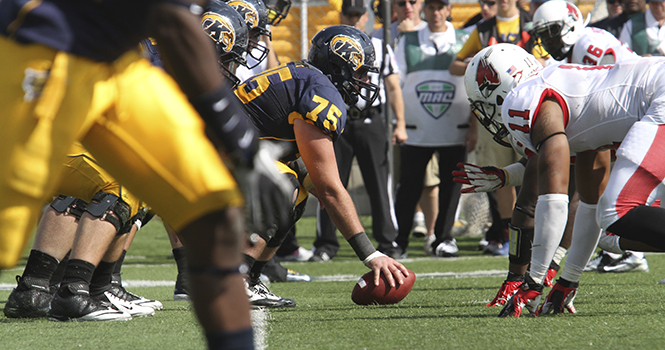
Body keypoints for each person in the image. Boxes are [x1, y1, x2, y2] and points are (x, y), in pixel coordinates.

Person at [0, 0, 293, 347]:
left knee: (214, 213)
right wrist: (242, 143)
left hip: (118, 63)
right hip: (43, 51)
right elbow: (173, 23)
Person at [464, 43, 665, 317]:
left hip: (659, 96)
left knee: (616, 211)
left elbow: (554, 196)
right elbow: (589, 203)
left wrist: (533, 281)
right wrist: (567, 281)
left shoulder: (522, 98)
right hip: (656, 93)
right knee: (608, 221)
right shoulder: (577, 109)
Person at [235, 24, 410, 307]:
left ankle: (252, 278)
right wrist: (370, 254)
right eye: (361, 71)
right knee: (287, 185)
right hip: (212, 153)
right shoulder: (320, 92)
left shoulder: (309, 79)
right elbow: (330, 188)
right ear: (341, 65)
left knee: (300, 185)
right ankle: (237, 278)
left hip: (224, 150)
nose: (365, 80)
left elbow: (316, 181)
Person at [4, 143, 160, 319]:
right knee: (118, 187)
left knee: (102, 181)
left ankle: (35, 288)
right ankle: (75, 290)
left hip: (27, 143)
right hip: (26, 144)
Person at [310, 0, 407, 262]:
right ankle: (326, 244)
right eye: (349, 14)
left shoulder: (379, 45)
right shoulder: (330, 44)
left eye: (358, 14)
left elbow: (393, 86)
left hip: (369, 118)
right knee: (327, 181)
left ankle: (388, 240)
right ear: (341, 15)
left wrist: (400, 122)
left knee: (379, 182)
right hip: (335, 119)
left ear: (367, 17)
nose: (354, 19)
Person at [449, 0, 543, 258]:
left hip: (528, 109)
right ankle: (507, 230)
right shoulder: (482, 29)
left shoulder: (532, 24)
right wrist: (479, 64)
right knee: (501, 175)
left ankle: (534, 230)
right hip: (493, 111)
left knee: (534, 170)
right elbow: (455, 64)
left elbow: (546, 61)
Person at [391, 0, 471, 258]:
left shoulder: (465, 39)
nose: (436, 13)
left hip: (455, 128)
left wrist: (474, 127)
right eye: (431, 8)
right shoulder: (409, 40)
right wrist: (400, 123)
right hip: (416, 129)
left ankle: (444, 238)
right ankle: (400, 241)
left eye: (441, 7)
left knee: (452, 185)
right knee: (409, 186)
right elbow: (397, 82)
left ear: (448, 10)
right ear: (424, 11)